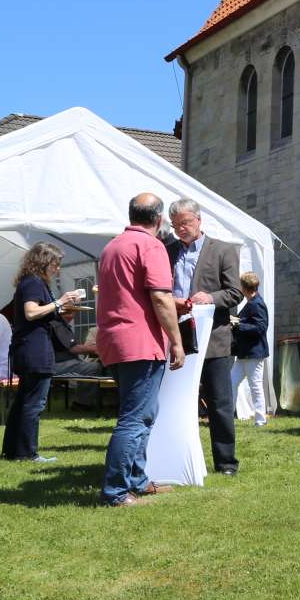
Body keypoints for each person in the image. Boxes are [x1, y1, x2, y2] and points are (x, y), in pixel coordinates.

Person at [97, 193, 185, 506]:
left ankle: (136, 480)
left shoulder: (112, 247)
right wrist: (176, 341)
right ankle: (116, 492)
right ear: (159, 219)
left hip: (113, 341)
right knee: (134, 419)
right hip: (140, 343)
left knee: (144, 414)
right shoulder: (151, 246)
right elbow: (160, 297)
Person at [167, 198, 244, 475]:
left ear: (199, 220)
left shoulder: (223, 250)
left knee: (219, 403)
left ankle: (225, 463)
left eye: (185, 223)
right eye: (175, 225)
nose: (180, 229)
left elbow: (235, 293)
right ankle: (177, 457)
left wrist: (209, 297)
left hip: (214, 339)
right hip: (177, 337)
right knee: (176, 401)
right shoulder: (168, 251)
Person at [3, 242, 84, 463]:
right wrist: (59, 302)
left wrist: (62, 306)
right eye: (55, 265)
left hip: (28, 347)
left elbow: (40, 312)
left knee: (23, 402)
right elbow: (31, 312)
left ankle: (13, 450)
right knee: (33, 403)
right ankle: (27, 453)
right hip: (34, 349)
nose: (57, 269)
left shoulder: (31, 282)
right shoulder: (34, 283)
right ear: (44, 262)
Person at [231, 271, 270, 427]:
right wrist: (237, 321)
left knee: (255, 386)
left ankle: (261, 420)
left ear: (244, 288)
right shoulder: (252, 302)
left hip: (254, 353)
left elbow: (260, 328)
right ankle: (228, 418)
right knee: (231, 383)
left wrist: (238, 324)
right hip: (244, 353)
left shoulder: (257, 304)